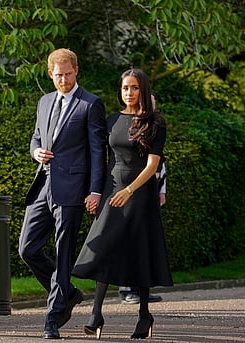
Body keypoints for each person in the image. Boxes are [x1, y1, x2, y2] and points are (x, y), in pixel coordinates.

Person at [72, 68, 173, 340]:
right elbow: (102, 158)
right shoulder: (112, 120)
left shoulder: (155, 122)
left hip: (139, 192)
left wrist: (130, 190)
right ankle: (96, 314)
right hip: (112, 189)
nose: (128, 92)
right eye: (125, 88)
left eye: (134, 88)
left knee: (139, 249)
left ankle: (144, 315)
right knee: (105, 245)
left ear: (144, 90)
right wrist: (97, 192)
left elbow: (153, 165)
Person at [18, 48, 107, 339]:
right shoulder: (44, 101)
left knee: (63, 252)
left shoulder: (90, 104)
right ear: (50, 74)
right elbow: (35, 136)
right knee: (27, 248)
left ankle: (52, 318)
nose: (64, 80)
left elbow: (97, 152)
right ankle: (67, 292)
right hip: (42, 184)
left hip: (72, 189)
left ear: (76, 71)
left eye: (68, 74)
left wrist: (95, 190)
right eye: (59, 76)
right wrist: (35, 152)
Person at [119, 162, 166, 304]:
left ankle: (141, 289)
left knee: (143, 242)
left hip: (148, 187)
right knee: (128, 240)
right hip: (128, 185)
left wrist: (162, 189)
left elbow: (160, 162)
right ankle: (127, 289)